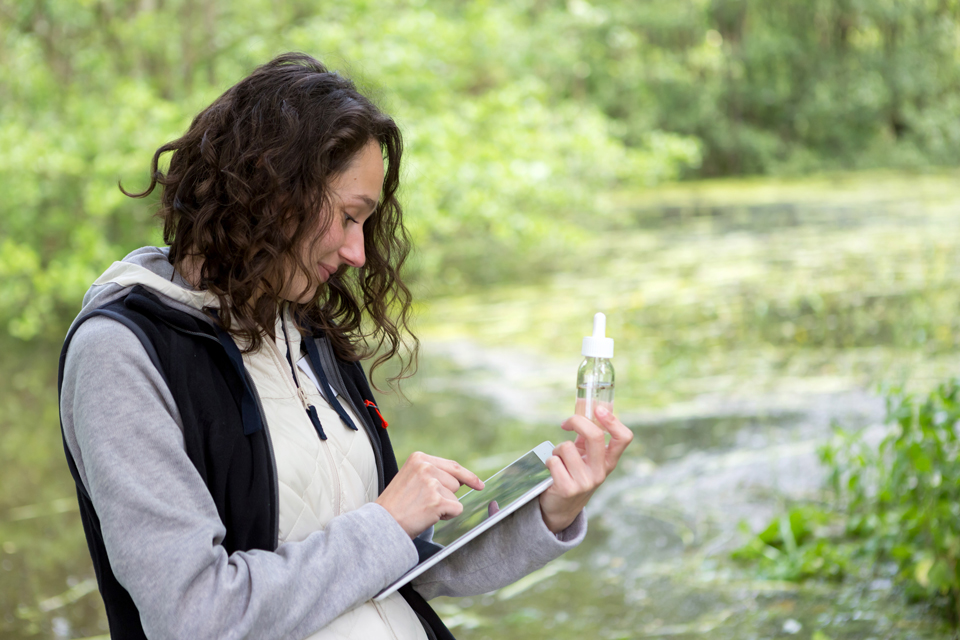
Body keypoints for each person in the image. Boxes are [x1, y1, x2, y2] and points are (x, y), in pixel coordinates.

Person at [58, 52, 633, 640]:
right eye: (348, 217)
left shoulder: (306, 326)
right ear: (273, 191)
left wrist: (546, 511)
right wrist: (385, 523)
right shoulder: (121, 354)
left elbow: (392, 569)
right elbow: (195, 615)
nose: (359, 254)